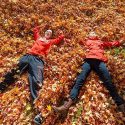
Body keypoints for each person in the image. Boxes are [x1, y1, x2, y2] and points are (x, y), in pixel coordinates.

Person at [0, 26, 65, 124]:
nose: (48, 33)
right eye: (47, 31)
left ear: (51, 36)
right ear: (44, 33)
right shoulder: (38, 38)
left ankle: (39, 113)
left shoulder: (50, 42)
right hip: (28, 56)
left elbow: (59, 39)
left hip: (38, 60)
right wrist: (41, 25)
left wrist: (61, 33)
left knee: (36, 81)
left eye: (50, 33)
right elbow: (35, 30)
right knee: (14, 71)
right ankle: (1, 87)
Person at [52, 31, 125, 115]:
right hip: (88, 61)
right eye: (91, 33)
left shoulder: (100, 42)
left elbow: (112, 44)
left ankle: (121, 105)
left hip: (99, 61)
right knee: (79, 80)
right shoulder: (86, 41)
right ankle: (66, 105)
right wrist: (64, 36)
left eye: (94, 33)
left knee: (108, 82)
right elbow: (74, 41)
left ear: (96, 35)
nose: (93, 34)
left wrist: (122, 40)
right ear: (89, 35)